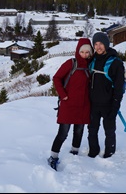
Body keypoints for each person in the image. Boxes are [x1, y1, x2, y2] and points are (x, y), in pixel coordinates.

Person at [47, 38, 93, 171]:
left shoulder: (90, 66)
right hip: (68, 105)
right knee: (63, 133)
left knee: (79, 131)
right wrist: (63, 95)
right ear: (78, 51)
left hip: (84, 105)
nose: (84, 54)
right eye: (82, 51)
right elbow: (57, 78)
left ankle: (74, 152)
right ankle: (53, 157)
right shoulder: (71, 63)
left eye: (87, 52)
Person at [87, 32, 125, 158]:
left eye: (101, 44)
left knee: (109, 130)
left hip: (108, 104)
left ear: (106, 44)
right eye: (96, 44)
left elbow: (119, 87)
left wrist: (115, 106)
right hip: (93, 104)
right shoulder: (92, 60)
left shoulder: (116, 63)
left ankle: (110, 151)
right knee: (92, 130)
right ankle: (93, 150)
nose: (98, 47)